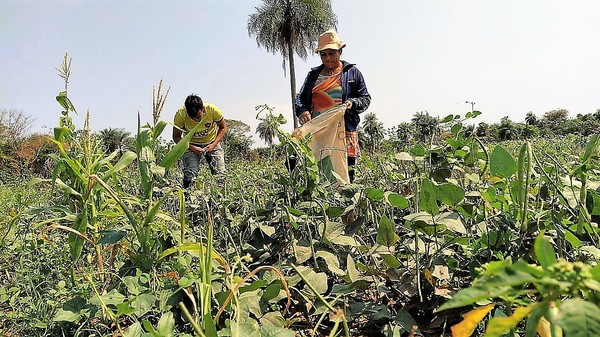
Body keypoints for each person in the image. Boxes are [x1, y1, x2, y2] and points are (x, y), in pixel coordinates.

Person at [294, 29, 371, 183]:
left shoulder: (352, 73)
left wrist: (351, 103)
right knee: (318, 172)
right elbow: (299, 99)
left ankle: (346, 204)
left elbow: (365, 98)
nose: (328, 58)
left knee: (346, 174)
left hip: (344, 132)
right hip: (318, 132)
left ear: (340, 51)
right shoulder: (313, 76)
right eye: (323, 54)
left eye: (332, 53)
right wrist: (302, 111)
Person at [172, 94, 228, 188]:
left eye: (198, 117)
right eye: (192, 118)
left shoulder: (213, 110)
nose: (196, 120)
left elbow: (223, 128)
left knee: (220, 175)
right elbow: (176, 137)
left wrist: (213, 145)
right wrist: (192, 148)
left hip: (211, 142)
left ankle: (220, 199)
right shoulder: (181, 115)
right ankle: (188, 199)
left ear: (203, 109)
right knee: (190, 175)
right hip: (190, 144)